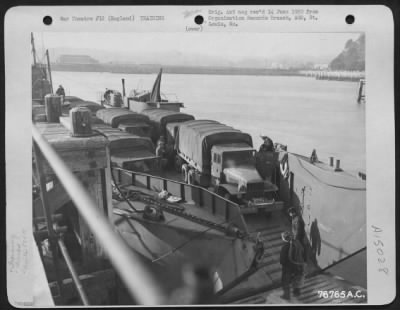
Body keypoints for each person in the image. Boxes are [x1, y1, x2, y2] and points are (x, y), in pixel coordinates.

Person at [280, 231, 306, 300]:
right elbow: (303, 251)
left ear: (285, 238)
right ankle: (296, 293)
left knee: (285, 281)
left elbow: (282, 260)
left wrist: (283, 264)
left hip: (288, 267)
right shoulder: (297, 242)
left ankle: (286, 296)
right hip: (298, 265)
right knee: (297, 279)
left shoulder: (285, 246)